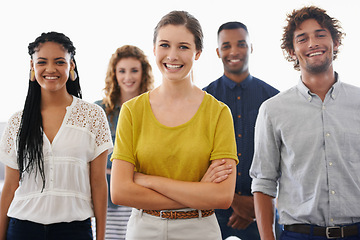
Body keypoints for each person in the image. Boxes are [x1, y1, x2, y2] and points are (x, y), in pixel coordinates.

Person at [110, 10, 239, 240]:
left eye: (183, 47)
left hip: (199, 230)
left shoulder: (218, 113)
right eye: (165, 45)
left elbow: (221, 197)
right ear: (154, 49)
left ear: (197, 52)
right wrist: (198, 191)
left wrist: (148, 181)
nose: (172, 55)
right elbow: (119, 192)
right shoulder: (132, 111)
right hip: (144, 230)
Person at [250, 6, 360, 240]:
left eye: (320, 34)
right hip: (299, 235)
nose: (313, 43)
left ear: (336, 42)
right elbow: (263, 183)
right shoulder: (273, 110)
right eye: (303, 38)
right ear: (291, 50)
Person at [0, 32, 112, 240]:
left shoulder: (92, 116)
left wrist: (101, 237)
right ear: (32, 68)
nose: (50, 69)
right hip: (22, 229)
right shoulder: (18, 121)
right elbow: (10, 185)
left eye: (59, 62)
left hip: (74, 230)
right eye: (42, 62)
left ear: (71, 67)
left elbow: (98, 183)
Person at [203, 21, 279, 240]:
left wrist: (256, 205)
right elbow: (196, 158)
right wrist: (236, 201)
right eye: (226, 46)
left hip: (263, 212)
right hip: (211, 212)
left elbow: (285, 158)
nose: (234, 51)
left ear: (251, 47)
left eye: (241, 44)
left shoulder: (273, 99)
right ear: (218, 52)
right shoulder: (203, 100)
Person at [95, 45, 154, 239]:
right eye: (122, 71)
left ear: (143, 73)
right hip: (106, 196)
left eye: (134, 70)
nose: (128, 77)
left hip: (141, 196)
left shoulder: (154, 109)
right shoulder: (99, 111)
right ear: (114, 74)